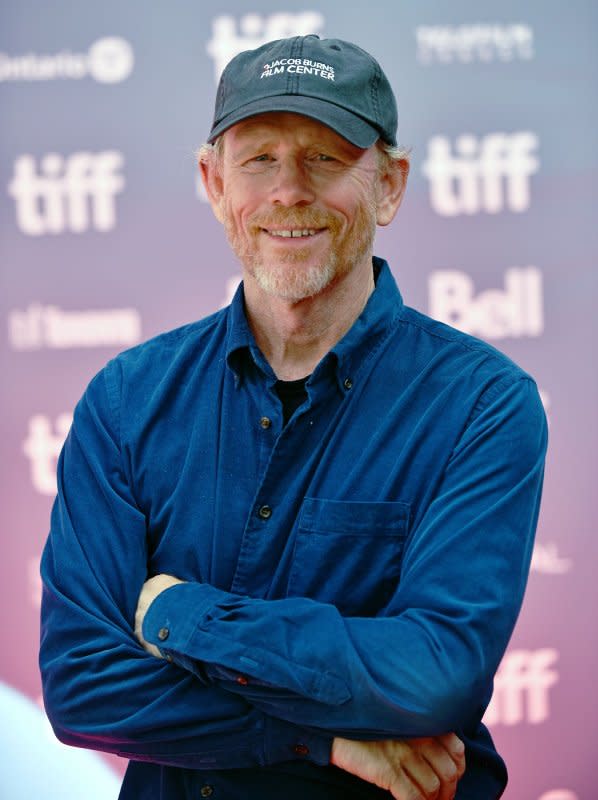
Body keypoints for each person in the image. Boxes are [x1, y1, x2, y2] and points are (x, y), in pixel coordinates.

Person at [39, 34, 547, 800]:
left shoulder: (482, 402)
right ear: (214, 181)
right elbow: (83, 684)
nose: (288, 191)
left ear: (390, 185)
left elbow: (435, 675)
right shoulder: (126, 399)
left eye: (325, 158)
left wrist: (179, 614)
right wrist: (324, 740)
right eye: (259, 160)